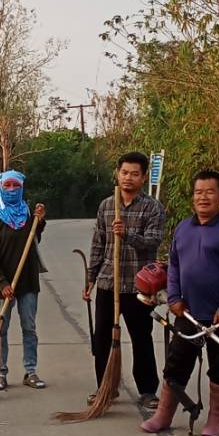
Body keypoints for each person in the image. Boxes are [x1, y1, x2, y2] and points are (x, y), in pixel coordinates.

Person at [142, 170, 219, 436]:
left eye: (210, 192)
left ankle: (215, 419)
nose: (203, 197)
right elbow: (174, 266)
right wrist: (174, 298)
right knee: (176, 363)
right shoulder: (183, 228)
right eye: (199, 192)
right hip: (188, 312)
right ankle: (163, 415)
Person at [84, 151, 166, 410]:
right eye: (124, 173)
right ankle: (105, 388)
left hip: (139, 286)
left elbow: (153, 241)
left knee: (141, 338)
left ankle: (148, 390)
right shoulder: (107, 206)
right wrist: (91, 278)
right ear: (117, 174)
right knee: (102, 338)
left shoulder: (152, 207)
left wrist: (127, 234)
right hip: (109, 282)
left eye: (134, 174)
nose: (128, 178)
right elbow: (99, 243)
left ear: (143, 177)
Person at [0, 170, 48, 391]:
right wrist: (2, 283)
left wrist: (39, 221)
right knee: (1, 329)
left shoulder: (26, 212)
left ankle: (31, 371)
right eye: (7, 185)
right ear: (0, 187)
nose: (11, 190)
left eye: (15, 186)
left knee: (29, 327)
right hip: (3, 284)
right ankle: (0, 372)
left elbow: (33, 239)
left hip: (27, 280)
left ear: (22, 187)